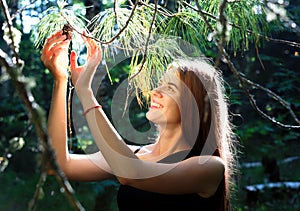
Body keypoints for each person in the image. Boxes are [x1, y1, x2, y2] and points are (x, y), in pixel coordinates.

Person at [41, 30, 237, 211]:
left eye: (170, 89)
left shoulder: (209, 166)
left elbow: (130, 173)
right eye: (160, 85)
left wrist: (85, 91)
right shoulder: (135, 154)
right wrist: (61, 81)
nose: (156, 92)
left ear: (195, 105)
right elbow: (58, 164)